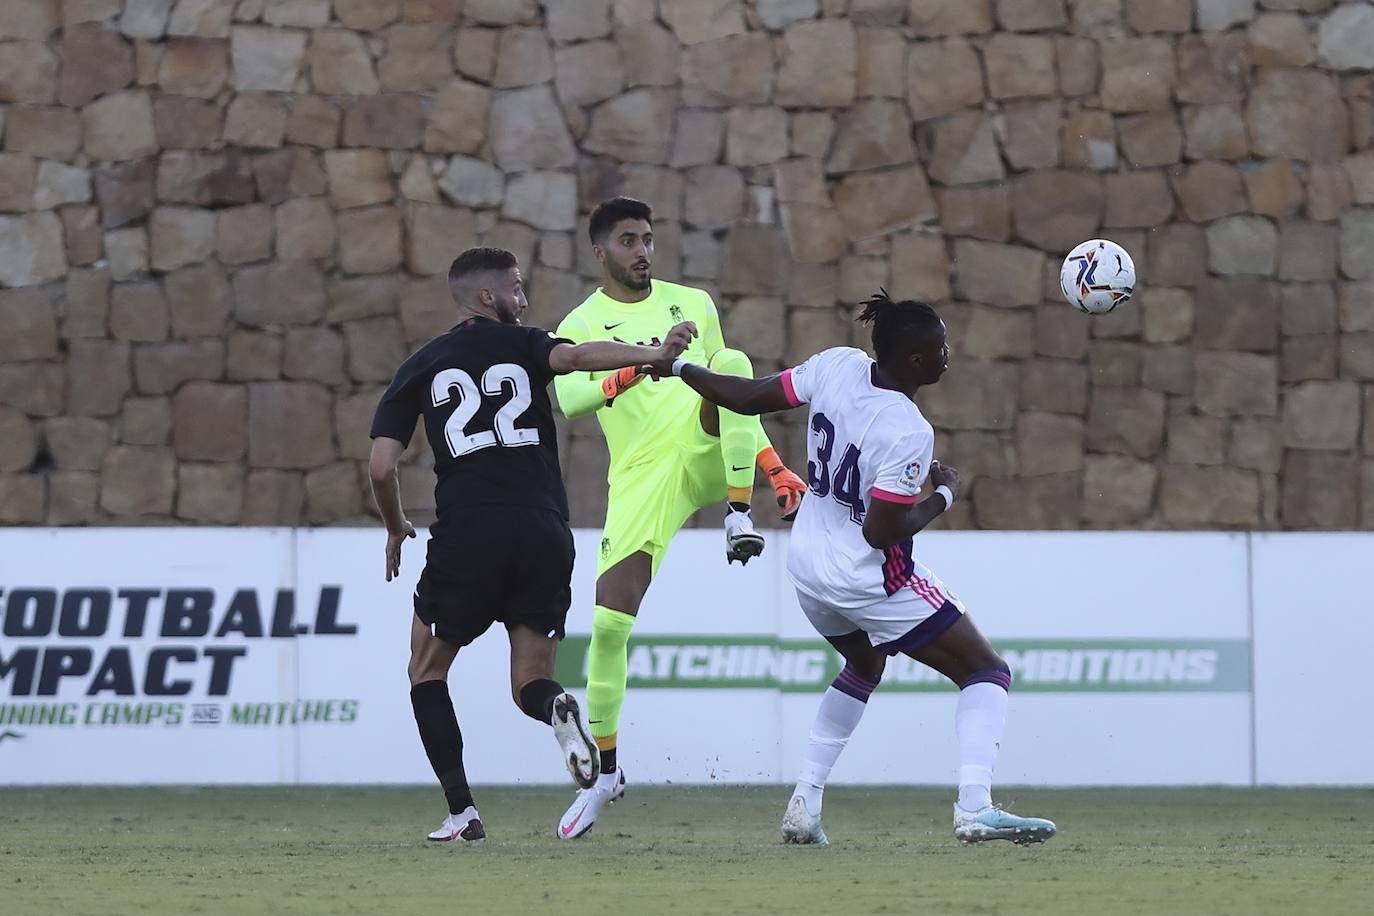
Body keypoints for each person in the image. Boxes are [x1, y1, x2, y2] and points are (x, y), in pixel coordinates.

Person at [651, 291, 1057, 847]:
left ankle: (804, 805)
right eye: (940, 346)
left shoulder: (836, 364)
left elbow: (746, 399)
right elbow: (881, 532)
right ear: (915, 360)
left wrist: (675, 366)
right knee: (987, 672)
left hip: (807, 566)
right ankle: (975, 807)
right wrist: (943, 494)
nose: (948, 353)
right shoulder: (908, 428)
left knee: (864, 667)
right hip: (865, 577)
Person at [368, 247, 695, 844]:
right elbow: (576, 358)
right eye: (516, 289)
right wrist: (654, 355)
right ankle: (557, 710)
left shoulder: (421, 365)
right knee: (530, 684)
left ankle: (463, 814)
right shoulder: (525, 344)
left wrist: (394, 527)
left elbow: (382, 467)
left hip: (469, 531)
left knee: (426, 669)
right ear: (487, 296)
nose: (524, 299)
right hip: (544, 529)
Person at [549, 197, 807, 839]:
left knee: (735, 362)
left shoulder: (693, 302)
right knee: (608, 625)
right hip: (643, 476)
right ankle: (606, 772)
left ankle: (738, 517)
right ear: (600, 252)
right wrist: (648, 360)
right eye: (629, 241)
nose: (642, 250)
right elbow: (572, 400)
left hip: (708, 450)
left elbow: (734, 398)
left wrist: (774, 471)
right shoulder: (580, 323)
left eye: (648, 238)